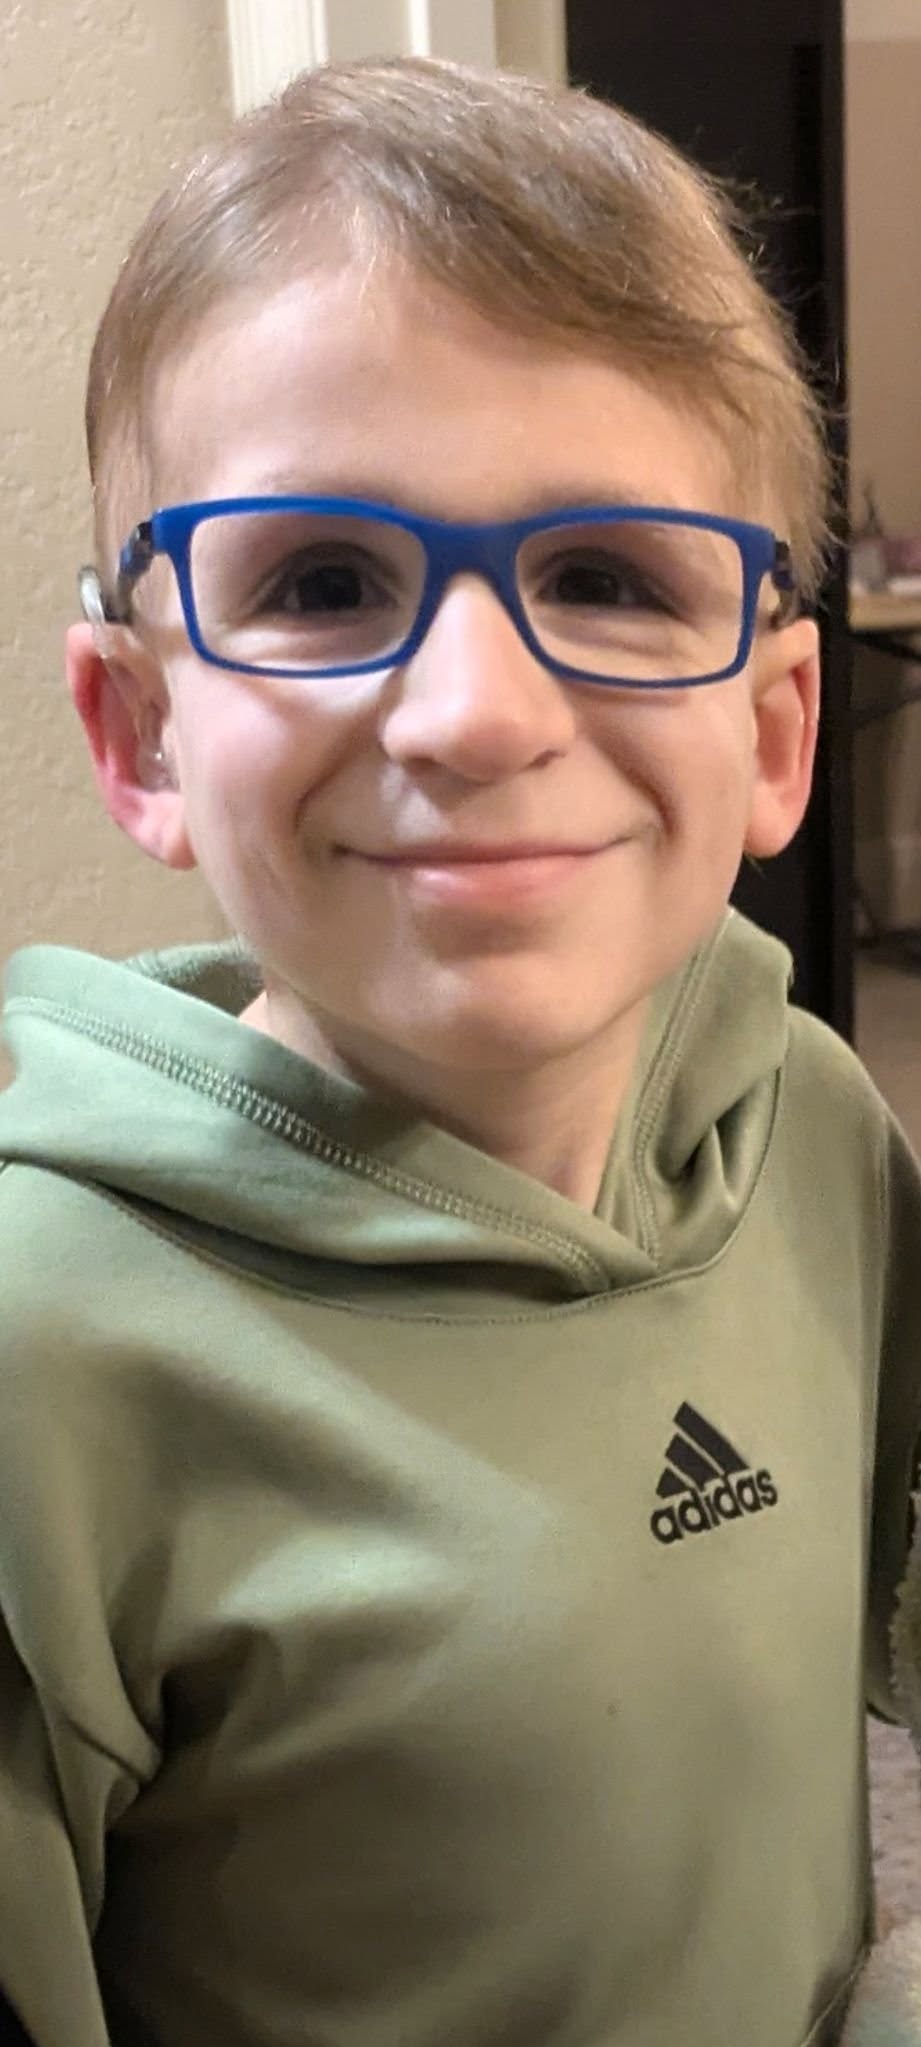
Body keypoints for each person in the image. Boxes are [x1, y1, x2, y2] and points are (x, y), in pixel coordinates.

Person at [0, 52, 917, 2047]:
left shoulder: (822, 1129)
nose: (476, 713)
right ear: (142, 732)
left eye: (604, 577)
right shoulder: (38, 1356)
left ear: (774, 732)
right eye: (324, 583)